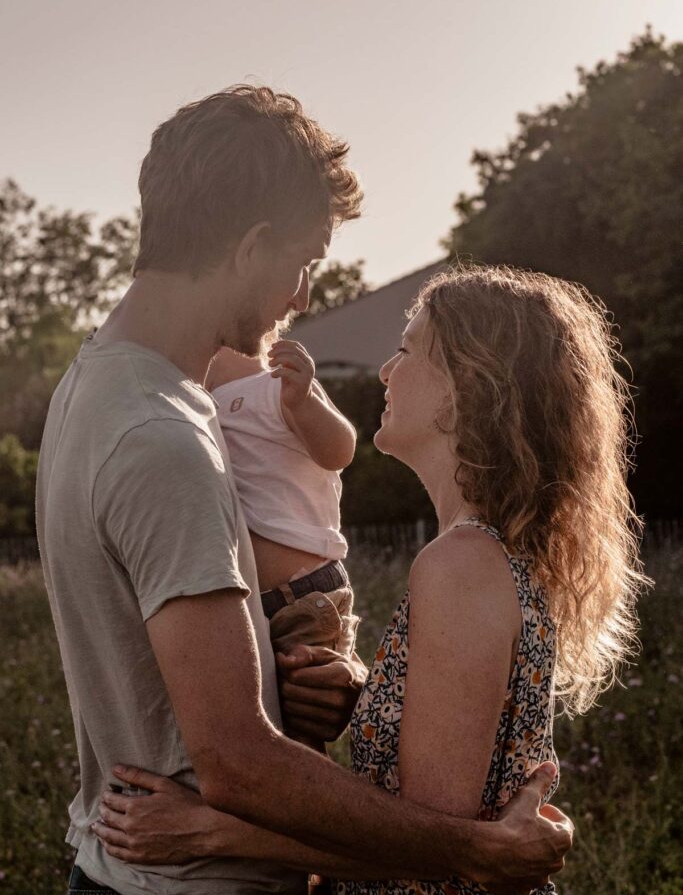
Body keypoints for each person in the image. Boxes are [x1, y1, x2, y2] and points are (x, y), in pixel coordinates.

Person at [37, 87, 571, 895]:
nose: (302, 297)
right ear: (252, 247)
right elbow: (237, 762)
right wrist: (474, 852)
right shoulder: (159, 436)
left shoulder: (102, 389)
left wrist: (319, 688)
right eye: (304, 262)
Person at [92, 264, 643, 892]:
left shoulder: (462, 565)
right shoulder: (483, 555)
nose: (385, 371)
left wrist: (211, 832)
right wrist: (366, 696)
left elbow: (433, 852)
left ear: (467, 383)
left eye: (406, 351)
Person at [207, 337, 359, 747]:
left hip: (303, 596)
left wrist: (304, 401)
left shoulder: (277, 384)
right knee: (262, 730)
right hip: (253, 602)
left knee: (302, 732)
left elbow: (339, 451)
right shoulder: (199, 404)